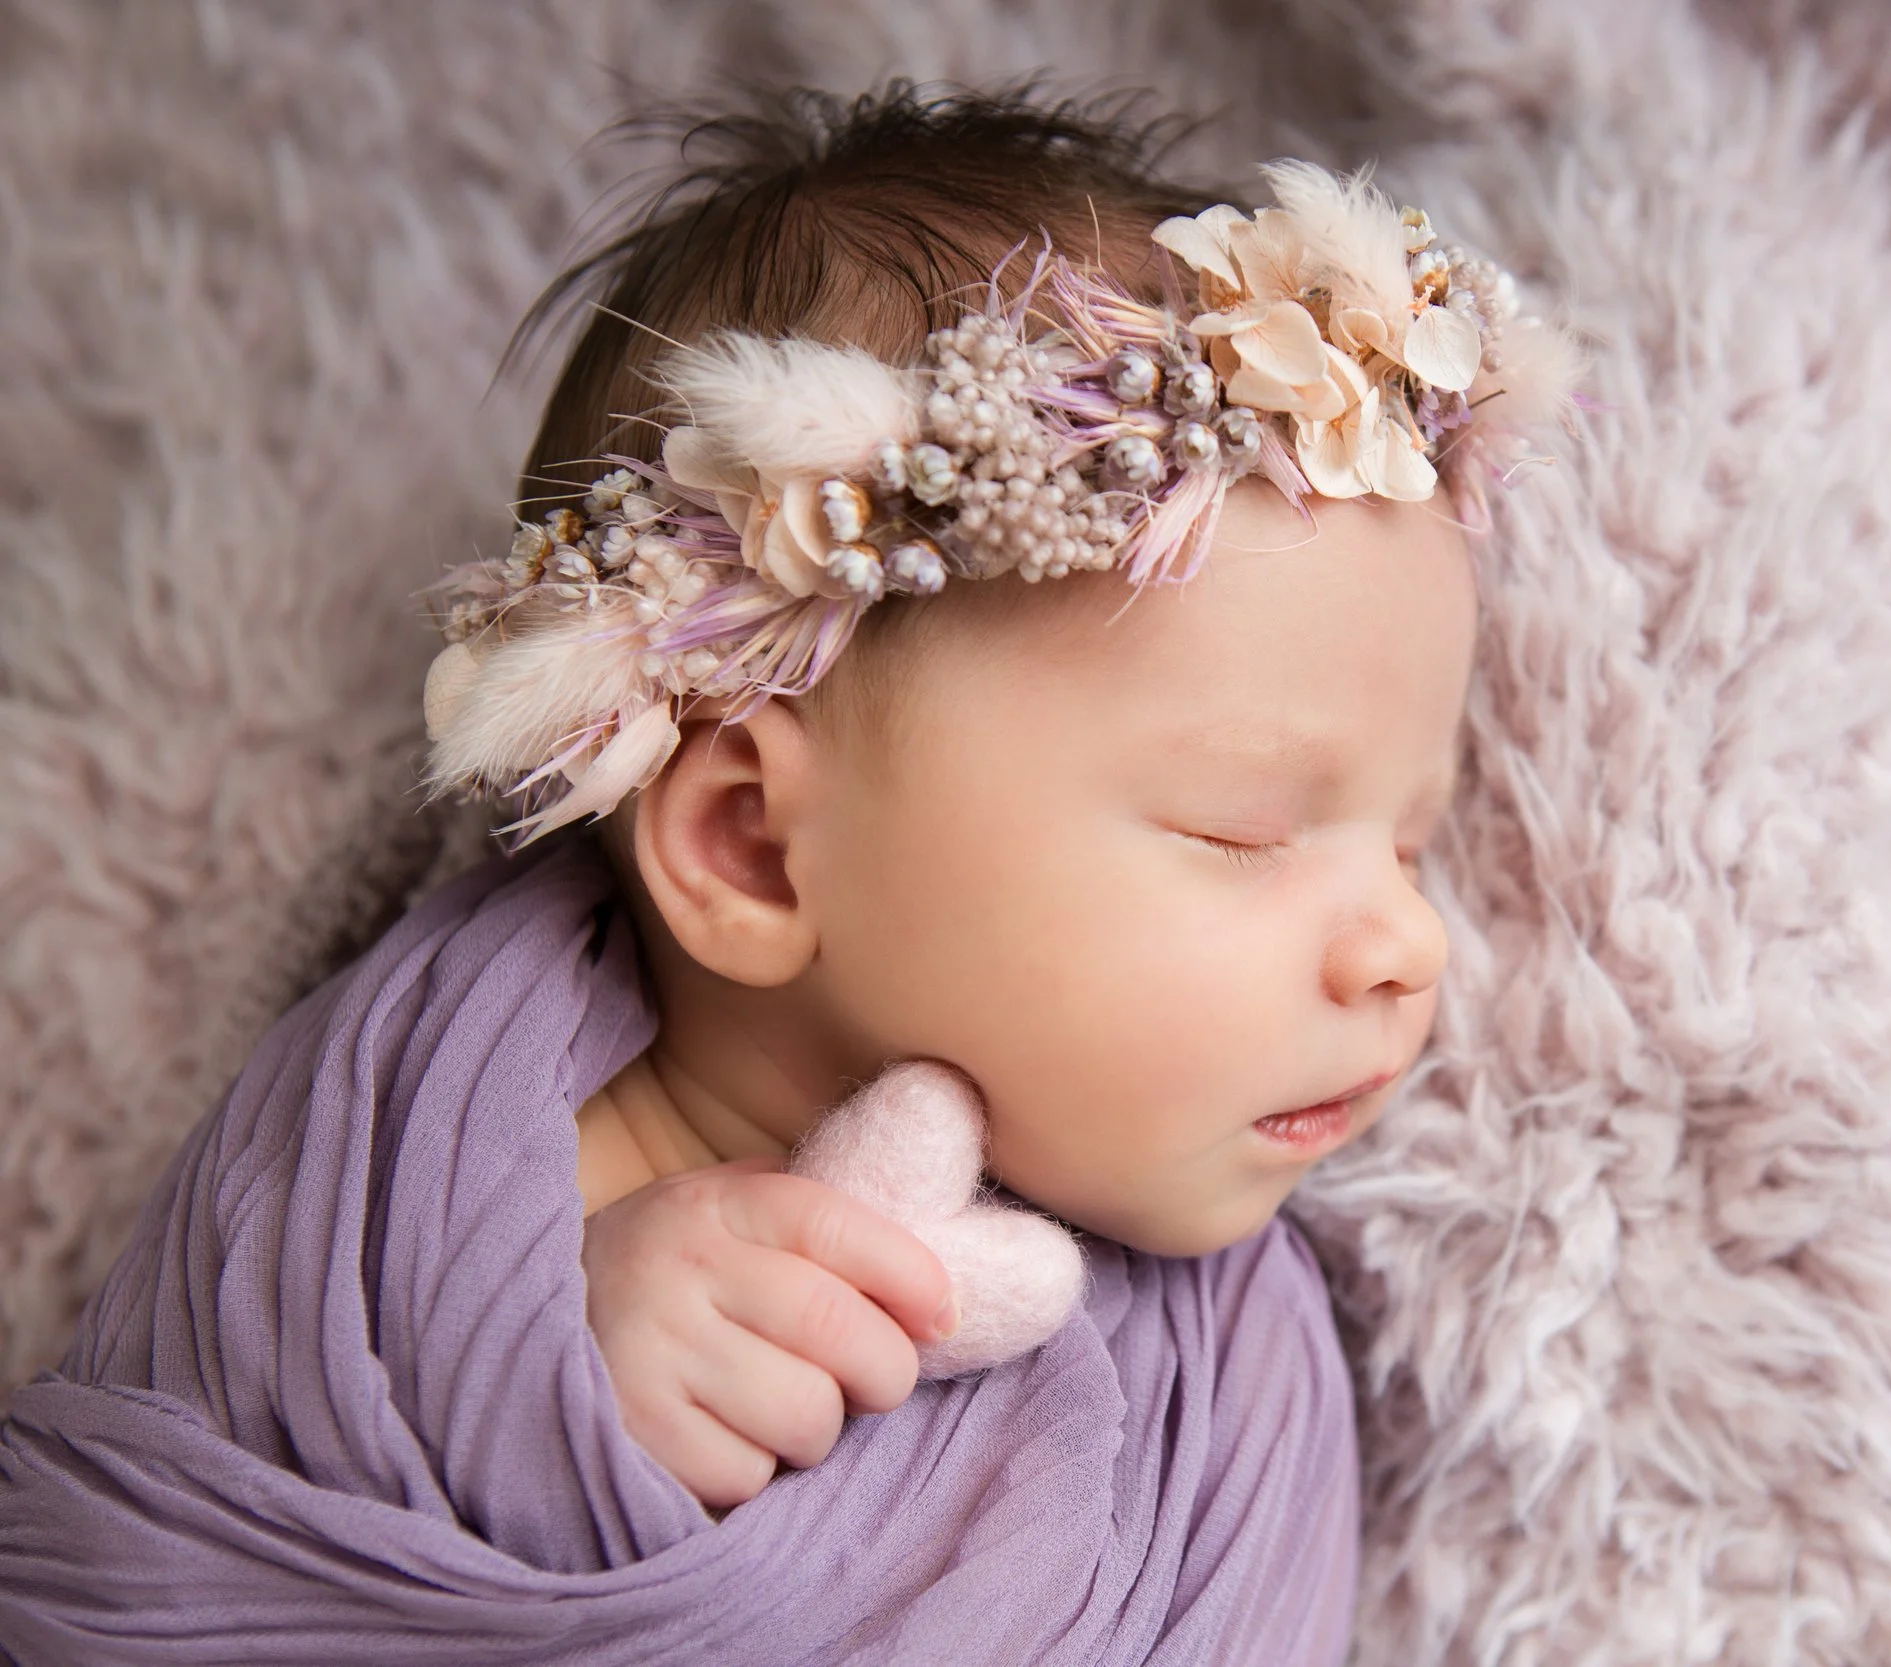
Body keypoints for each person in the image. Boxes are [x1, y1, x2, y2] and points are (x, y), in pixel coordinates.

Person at [0, 84, 1572, 1663]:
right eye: (1242, 829)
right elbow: (142, 1554)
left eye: (1410, 841)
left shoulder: (1234, 1390)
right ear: (750, 846)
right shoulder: (415, 1148)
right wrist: (550, 1394)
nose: (1407, 941)